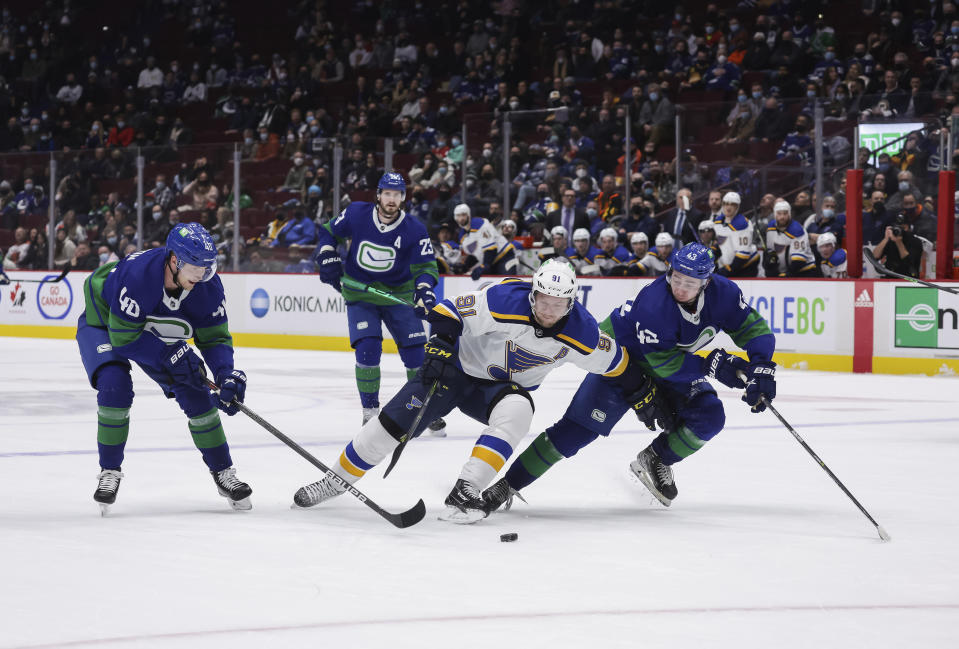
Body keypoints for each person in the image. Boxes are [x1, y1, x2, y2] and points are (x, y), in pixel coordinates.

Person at [292, 259, 657, 522]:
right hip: (455, 371)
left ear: (571, 302)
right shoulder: (503, 300)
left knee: (519, 411)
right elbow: (450, 312)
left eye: (558, 304)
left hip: (498, 391)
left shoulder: (584, 333)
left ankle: (466, 489)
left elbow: (617, 364)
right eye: (543, 300)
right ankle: (335, 479)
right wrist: (440, 347)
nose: (549, 310)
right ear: (533, 295)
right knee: (394, 423)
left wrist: (641, 392)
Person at [483, 243, 777, 513]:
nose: (681, 288)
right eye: (676, 279)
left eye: (690, 283)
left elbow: (752, 328)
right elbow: (662, 364)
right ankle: (509, 483)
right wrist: (709, 365)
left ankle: (657, 458)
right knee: (577, 431)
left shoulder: (724, 294)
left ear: (707, 281)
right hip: (619, 359)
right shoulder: (654, 305)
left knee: (709, 415)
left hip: (667, 360)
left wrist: (762, 366)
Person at [76, 223, 252, 514]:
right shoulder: (138, 277)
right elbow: (123, 339)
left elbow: (215, 338)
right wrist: (170, 353)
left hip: (151, 324)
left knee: (194, 389)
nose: (203, 275)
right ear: (173, 260)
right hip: (106, 321)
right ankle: (109, 471)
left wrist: (225, 376)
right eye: (195, 267)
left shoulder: (206, 285)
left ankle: (223, 472)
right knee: (114, 385)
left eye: (208, 267)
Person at [312, 172, 445, 433]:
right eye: (387, 194)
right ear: (378, 195)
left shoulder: (415, 229)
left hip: (400, 295)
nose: (391, 199)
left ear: (403, 198)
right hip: (360, 295)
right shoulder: (356, 213)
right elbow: (328, 232)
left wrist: (424, 288)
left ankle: (420, 410)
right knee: (368, 348)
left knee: (417, 355)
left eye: (397, 195)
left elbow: (426, 267)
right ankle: (370, 413)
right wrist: (327, 254)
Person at [453, 202, 517, 279]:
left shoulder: (480, 223)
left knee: (508, 284)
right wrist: (465, 267)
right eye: (458, 216)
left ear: (468, 215)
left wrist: (485, 265)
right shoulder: (462, 235)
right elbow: (475, 255)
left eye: (463, 215)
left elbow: (491, 248)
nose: (461, 218)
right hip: (490, 262)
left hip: (505, 256)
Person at [764, 200, 817, 277]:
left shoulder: (797, 230)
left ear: (789, 214)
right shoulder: (770, 227)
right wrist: (772, 261)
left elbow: (798, 261)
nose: (782, 217)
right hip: (787, 271)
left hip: (805, 270)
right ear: (775, 214)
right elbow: (771, 251)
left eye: (785, 213)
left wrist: (785, 275)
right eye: (779, 213)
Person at [712, 191, 760, 277]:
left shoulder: (742, 224)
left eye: (732, 204)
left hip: (747, 266)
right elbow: (719, 243)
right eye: (726, 204)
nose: (728, 207)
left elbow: (743, 255)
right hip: (731, 264)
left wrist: (728, 270)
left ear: (737, 207)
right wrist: (711, 256)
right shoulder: (718, 221)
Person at [872, 213, 923, 278]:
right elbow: (875, 257)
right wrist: (885, 239)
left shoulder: (915, 241)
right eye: (897, 227)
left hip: (909, 279)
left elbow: (909, 262)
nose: (899, 230)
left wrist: (898, 242)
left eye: (902, 228)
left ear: (907, 227)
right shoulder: (890, 239)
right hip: (890, 278)